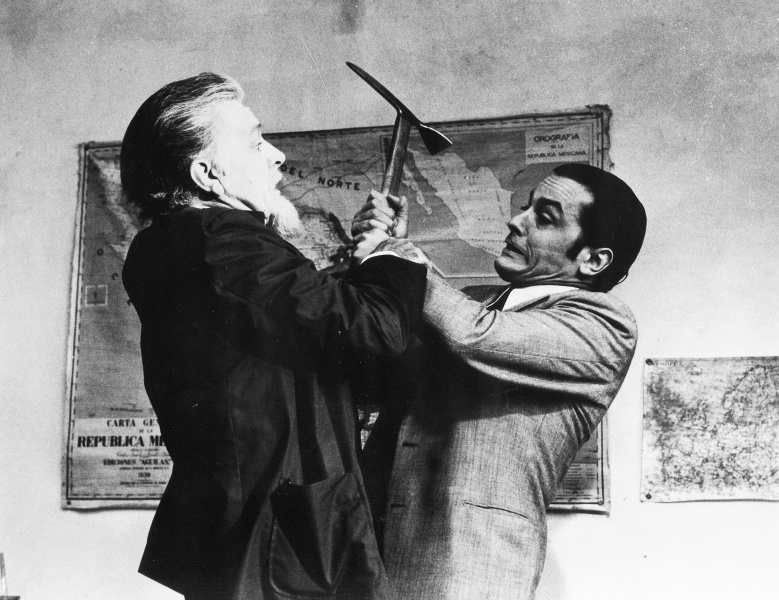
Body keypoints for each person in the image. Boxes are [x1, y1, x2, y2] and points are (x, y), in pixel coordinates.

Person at [120, 72, 427, 600]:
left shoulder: (184, 245)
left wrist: (365, 258)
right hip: (277, 545)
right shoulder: (220, 240)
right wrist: (391, 254)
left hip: (255, 533)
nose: (277, 155)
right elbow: (374, 331)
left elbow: (306, 332)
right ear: (207, 174)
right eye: (255, 141)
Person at [351, 164, 646, 599]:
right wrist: (377, 260)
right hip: (367, 557)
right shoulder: (474, 302)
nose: (516, 220)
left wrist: (393, 254)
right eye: (526, 207)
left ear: (593, 260)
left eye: (544, 217)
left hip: (468, 571)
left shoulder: (604, 324)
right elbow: (370, 367)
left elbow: (473, 335)